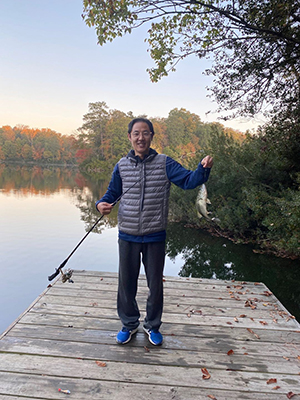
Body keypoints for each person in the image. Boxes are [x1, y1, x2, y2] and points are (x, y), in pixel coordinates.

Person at [96, 117, 213, 346]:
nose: (141, 137)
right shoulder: (121, 165)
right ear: (130, 137)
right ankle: (129, 324)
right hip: (127, 234)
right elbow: (111, 193)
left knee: (155, 285)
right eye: (136, 133)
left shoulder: (165, 163)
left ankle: (153, 325)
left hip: (155, 235)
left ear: (151, 136)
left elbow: (189, 181)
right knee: (126, 283)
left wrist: (202, 169)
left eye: (145, 133)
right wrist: (101, 204)